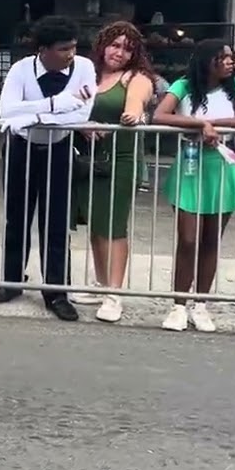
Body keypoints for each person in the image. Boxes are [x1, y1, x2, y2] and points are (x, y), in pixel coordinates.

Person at [152, 40, 235, 332]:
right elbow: (160, 115)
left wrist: (215, 122)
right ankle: (178, 305)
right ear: (207, 60)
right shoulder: (184, 85)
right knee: (188, 239)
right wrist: (198, 124)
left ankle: (200, 304)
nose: (230, 62)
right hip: (191, 166)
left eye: (231, 58)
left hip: (224, 167)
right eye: (223, 57)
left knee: (212, 240)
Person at [0, 15, 96, 322]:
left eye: (74, 47)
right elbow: (5, 110)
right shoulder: (21, 69)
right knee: (17, 216)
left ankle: (56, 292)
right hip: (20, 147)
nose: (70, 54)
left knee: (56, 221)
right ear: (43, 50)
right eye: (64, 49)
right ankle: (12, 281)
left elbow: (81, 113)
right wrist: (55, 104)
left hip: (60, 147)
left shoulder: (85, 68)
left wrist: (34, 114)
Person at [70, 22, 154, 324]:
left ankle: (114, 294)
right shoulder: (89, 75)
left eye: (127, 48)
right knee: (95, 223)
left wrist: (134, 114)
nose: (119, 52)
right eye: (115, 44)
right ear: (103, 44)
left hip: (121, 160)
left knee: (114, 226)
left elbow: (137, 102)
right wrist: (80, 122)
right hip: (89, 160)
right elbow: (71, 107)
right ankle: (101, 284)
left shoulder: (137, 77)